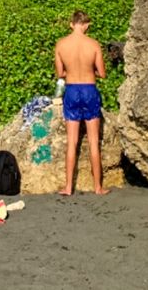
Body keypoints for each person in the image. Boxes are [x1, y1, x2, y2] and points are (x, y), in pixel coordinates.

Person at [54, 10, 110, 196]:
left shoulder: (61, 44)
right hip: (89, 89)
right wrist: (88, 72)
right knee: (94, 142)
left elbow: (60, 73)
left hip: (71, 90)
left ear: (71, 24)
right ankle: (98, 187)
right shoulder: (93, 44)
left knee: (72, 142)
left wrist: (72, 72)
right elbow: (102, 73)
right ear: (86, 25)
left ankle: (69, 187)